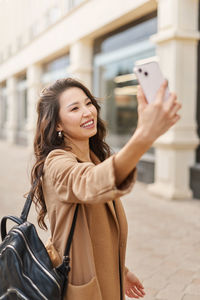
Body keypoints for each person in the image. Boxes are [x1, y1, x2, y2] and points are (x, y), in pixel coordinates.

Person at [30, 77, 181, 300]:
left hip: (106, 280)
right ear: (58, 124)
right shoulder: (57, 162)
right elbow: (90, 181)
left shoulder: (92, 157)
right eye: (74, 108)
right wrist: (144, 135)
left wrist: (122, 270)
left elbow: (96, 232)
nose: (87, 112)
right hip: (82, 289)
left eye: (88, 103)